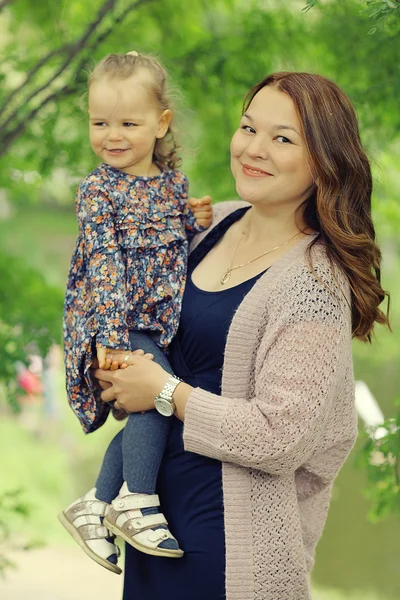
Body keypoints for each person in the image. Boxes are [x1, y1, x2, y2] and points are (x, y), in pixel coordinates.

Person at [94, 71, 390, 600]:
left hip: (231, 554)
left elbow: (281, 437)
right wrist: (119, 374)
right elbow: (154, 340)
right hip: (149, 526)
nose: (254, 149)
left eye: (282, 138)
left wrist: (163, 391)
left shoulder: (314, 284)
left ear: (323, 160)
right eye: (248, 128)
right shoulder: (212, 227)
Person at [59, 51, 213, 574]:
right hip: (113, 323)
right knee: (159, 399)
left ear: (161, 123)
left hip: (156, 324)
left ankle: (95, 505)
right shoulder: (99, 190)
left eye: (128, 122)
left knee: (158, 411)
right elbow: (103, 262)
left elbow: (172, 250)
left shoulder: (173, 186)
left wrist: (195, 222)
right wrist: (110, 337)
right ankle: (137, 499)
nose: (113, 135)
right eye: (100, 122)